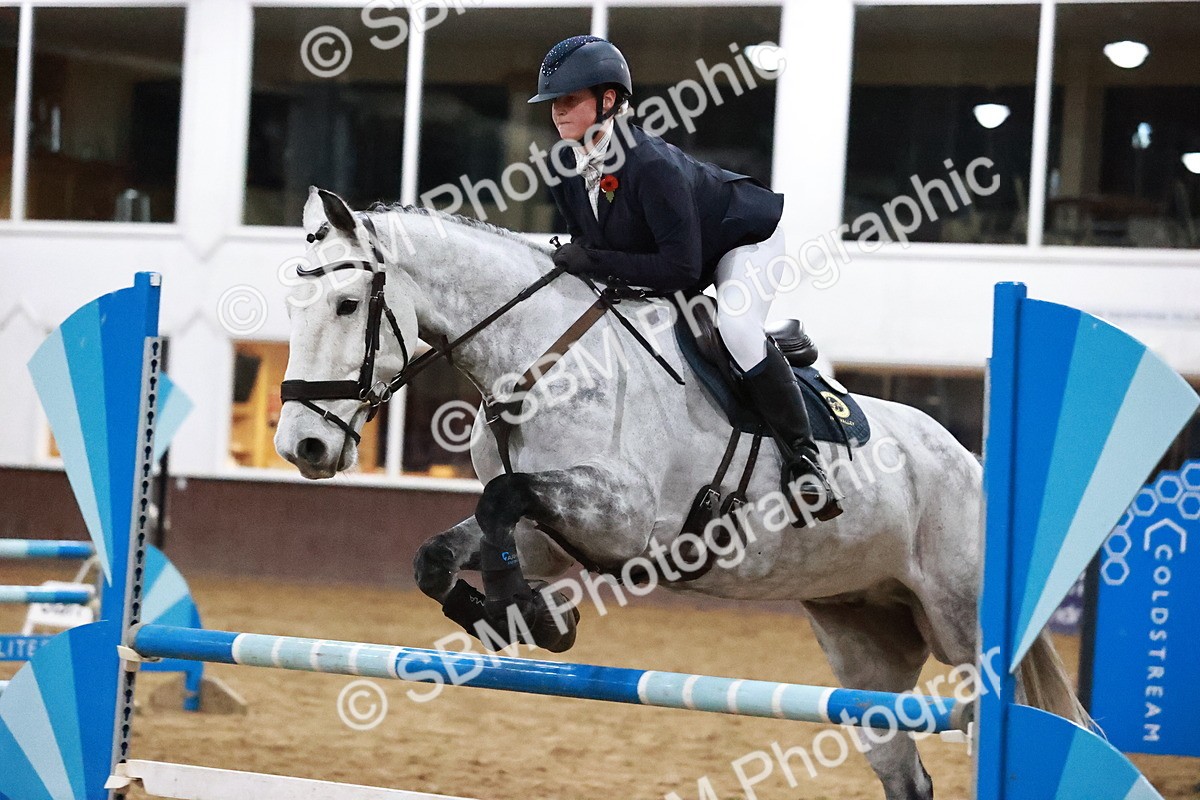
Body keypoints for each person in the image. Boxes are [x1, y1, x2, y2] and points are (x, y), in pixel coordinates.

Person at [529, 35, 842, 526]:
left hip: (742, 241)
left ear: (608, 101)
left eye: (569, 100)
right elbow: (595, 250)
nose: (557, 113)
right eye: (553, 104)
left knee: (736, 328)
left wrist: (594, 261)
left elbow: (680, 271)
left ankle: (805, 463)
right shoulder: (565, 169)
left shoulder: (650, 165)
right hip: (680, 256)